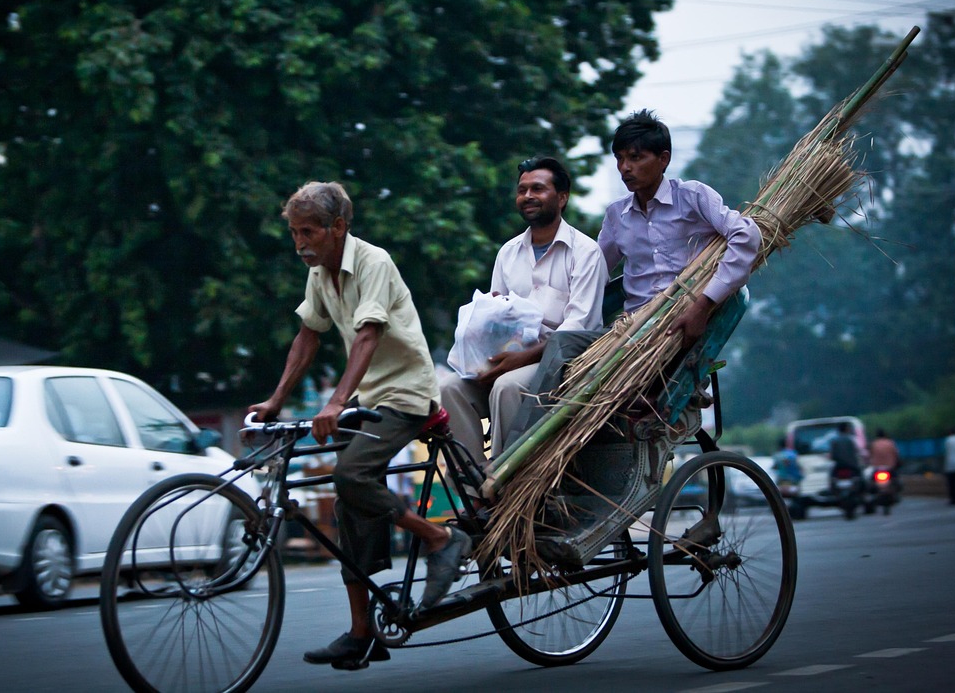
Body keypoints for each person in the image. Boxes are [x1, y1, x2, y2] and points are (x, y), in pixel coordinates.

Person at [250, 181, 471, 671]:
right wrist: (275, 400)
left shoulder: (373, 262)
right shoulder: (320, 274)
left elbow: (368, 335)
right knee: (348, 499)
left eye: (308, 232)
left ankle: (438, 538)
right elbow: (307, 337)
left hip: (407, 394)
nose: (299, 243)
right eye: (293, 233)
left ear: (338, 228)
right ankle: (362, 631)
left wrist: (336, 400)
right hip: (369, 398)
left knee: (353, 475)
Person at [438, 156, 608, 465]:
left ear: (562, 197)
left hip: (563, 369)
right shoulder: (508, 252)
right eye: (522, 190)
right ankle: (472, 481)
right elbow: (495, 317)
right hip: (509, 361)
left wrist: (519, 359)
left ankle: (504, 480)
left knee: (506, 386)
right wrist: (481, 357)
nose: (528, 196)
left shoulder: (586, 253)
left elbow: (576, 328)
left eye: (538, 189)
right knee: (448, 387)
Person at [597, 109, 762, 343]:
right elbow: (595, 270)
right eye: (619, 159)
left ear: (663, 159)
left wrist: (703, 304)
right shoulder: (616, 215)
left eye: (635, 157)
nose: (625, 167)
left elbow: (746, 234)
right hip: (632, 332)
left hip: (682, 321)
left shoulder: (693, 197)